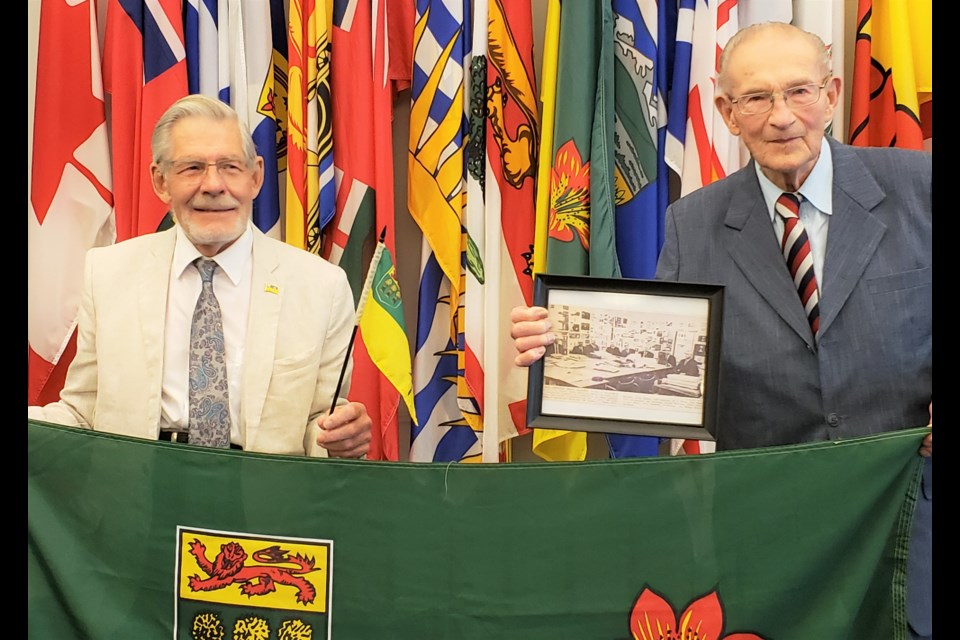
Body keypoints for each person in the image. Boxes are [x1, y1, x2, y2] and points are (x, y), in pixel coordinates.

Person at [510, 23, 932, 639]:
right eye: (756, 98)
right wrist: (567, 349)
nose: (782, 116)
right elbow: (656, 380)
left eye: (800, 92)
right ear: (726, 113)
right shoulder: (693, 224)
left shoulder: (919, 188)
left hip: (911, 518)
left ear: (833, 93)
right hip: (770, 536)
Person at [28, 94, 371, 459]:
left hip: (261, 501)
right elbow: (83, 411)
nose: (213, 185)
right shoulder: (108, 274)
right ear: (160, 181)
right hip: (140, 496)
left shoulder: (322, 288)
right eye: (192, 168)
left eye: (230, 167)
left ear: (256, 177)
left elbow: (319, 424)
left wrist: (339, 440)